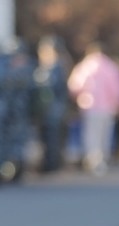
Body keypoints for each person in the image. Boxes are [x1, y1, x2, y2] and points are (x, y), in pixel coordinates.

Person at [67, 42, 119, 175]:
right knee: (105, 134)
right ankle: (102, 158)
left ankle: (92, 159)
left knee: (91, 134)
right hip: (108, 107)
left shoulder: (84, 67)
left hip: (89, 106)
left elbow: (75, 86)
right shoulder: (111, 67)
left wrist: (78, 97)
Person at [0, 38, 35, 185]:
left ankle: (15, 170)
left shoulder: (24, 67)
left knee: (15, 141)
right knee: (9, 141)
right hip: (10, 112)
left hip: (16, 112)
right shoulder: (16, 67)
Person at [33, 36, 70, 173]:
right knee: (47, 138)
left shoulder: (56, 68)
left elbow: (54, 89)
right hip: (47, 110)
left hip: (53, 110)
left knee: (52, 138)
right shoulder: (46, 67)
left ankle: (51, 165)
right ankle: (49, 163)